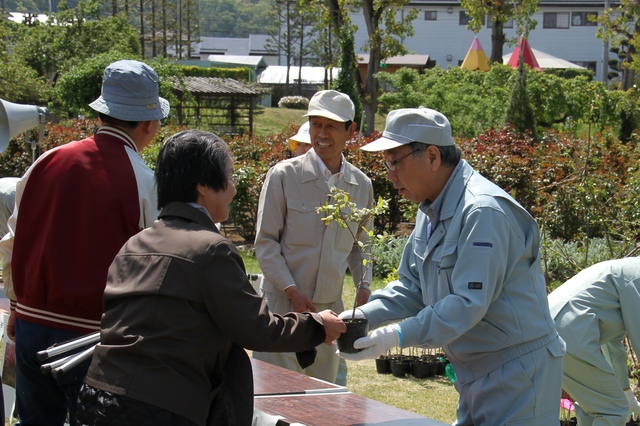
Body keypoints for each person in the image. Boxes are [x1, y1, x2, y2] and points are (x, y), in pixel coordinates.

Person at [75, 129, 345, 426]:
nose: (233, 188)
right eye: (229, 177)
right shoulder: (211, 249)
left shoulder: (134, 245)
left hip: (96, 398)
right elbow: (254, 328)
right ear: (203, 185)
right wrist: (317, 326)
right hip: (160, 406)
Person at [338, 107, 566, 425]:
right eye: (385, 162)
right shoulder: (429, 209)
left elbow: (467, 304)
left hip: (517, 372)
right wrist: (360, 317)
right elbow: (412, 286)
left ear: (432, 156)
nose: (389, 173)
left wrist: (397, 335)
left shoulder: (482, 211)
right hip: (474, 370)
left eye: (394, 161)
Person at [0, 59, 169, 425]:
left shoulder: (46, 161)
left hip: (32, 324)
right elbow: (150, 267)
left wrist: (16, 304)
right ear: (149, 122)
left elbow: (12, 241)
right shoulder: (144, 180)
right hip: (92, 338)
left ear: (102, 112)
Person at [252, 90, 374, 384]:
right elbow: (265, 242)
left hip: (329, 314)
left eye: (331, 126)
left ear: (351, 130)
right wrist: (291, 289)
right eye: (316, 124)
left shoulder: (361, 185)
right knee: (274, 397)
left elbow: (362, 244)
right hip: (281, 310)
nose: (321, 134)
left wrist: (364, 285)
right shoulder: (283, 175)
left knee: (323, 400)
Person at [548, 257, 640, 425]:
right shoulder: (637, 276)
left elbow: (613, 344)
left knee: (596, 407)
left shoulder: (627, 269)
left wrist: (625, 389)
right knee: (613, 409)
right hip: (569, 332)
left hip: (552, 329)